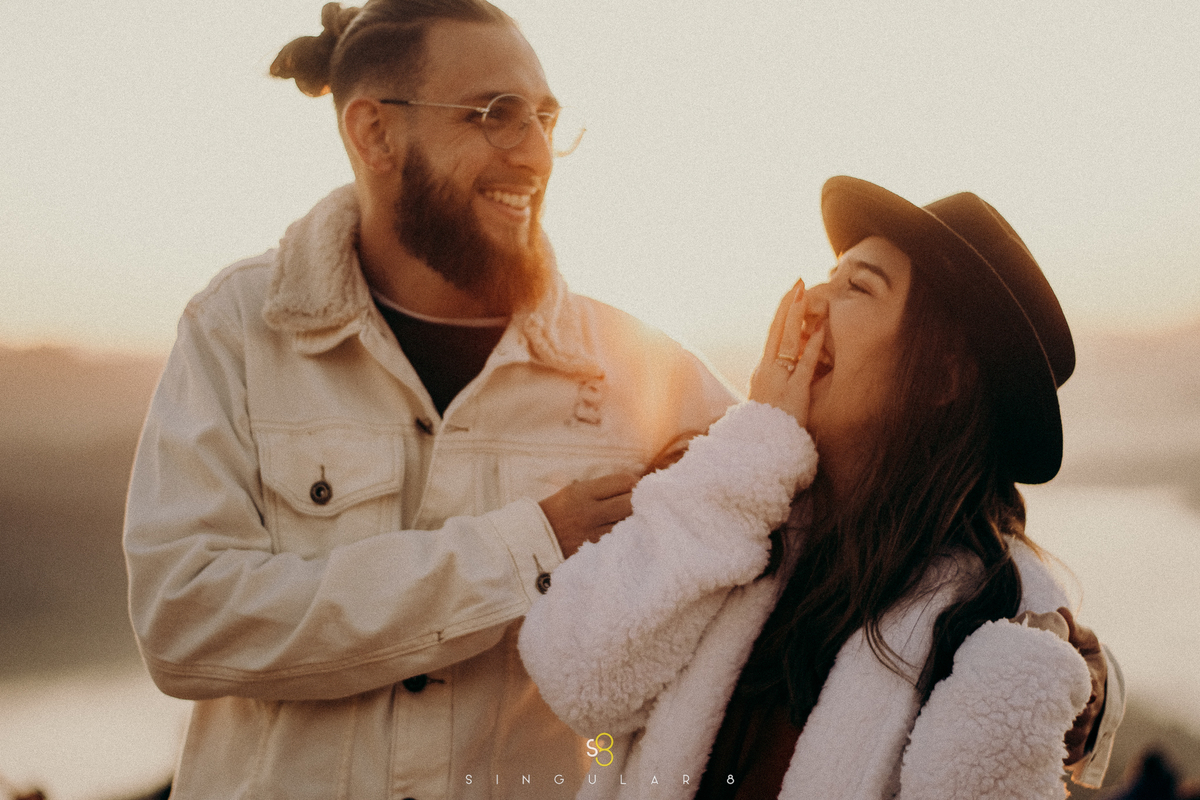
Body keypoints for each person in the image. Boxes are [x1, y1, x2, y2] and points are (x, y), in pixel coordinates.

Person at [121, 2, 737, 798]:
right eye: (498, 115)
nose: (538, 155)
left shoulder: (648, 373)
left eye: (546, 117)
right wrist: (527, 548)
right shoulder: (237, 332)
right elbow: (185, 624)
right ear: (373, 133)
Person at [519, 176, 1125, 799]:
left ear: (943, 374)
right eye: (830, 275)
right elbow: (573, 673)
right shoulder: (728, 493)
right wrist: (755, 442)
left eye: (857, 287)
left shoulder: (1001, 613)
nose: (809, 304)